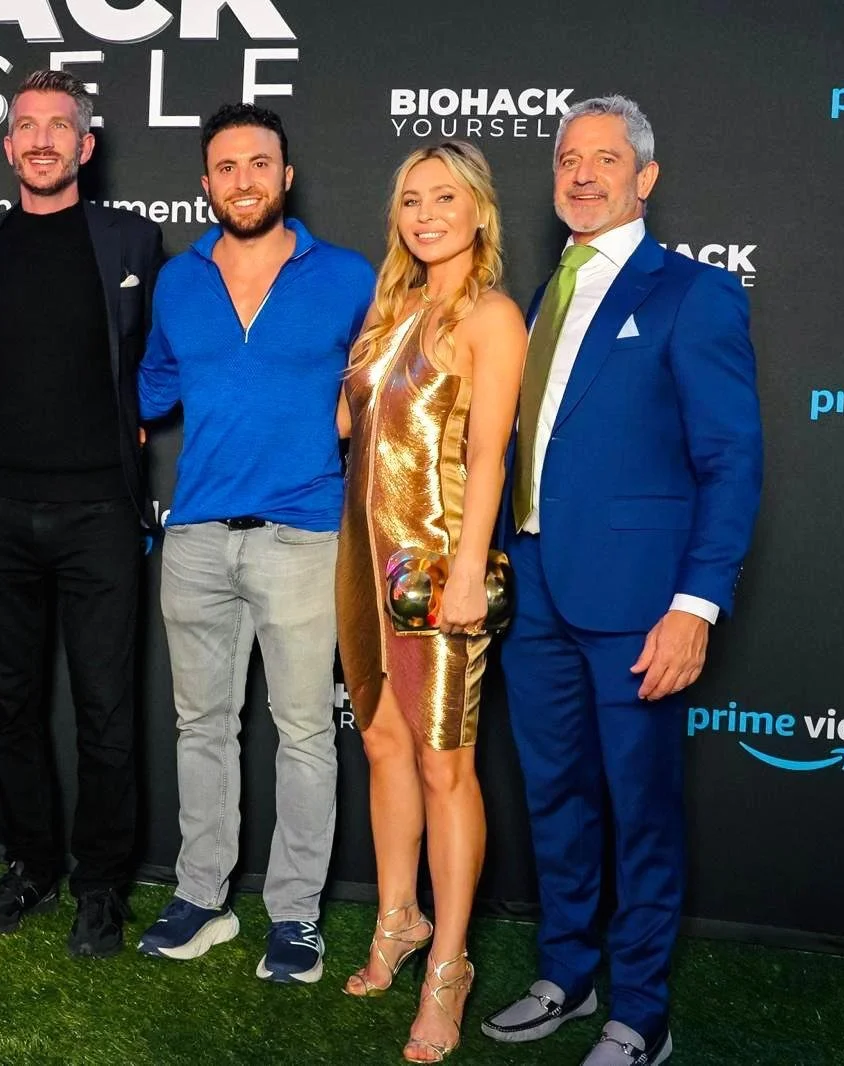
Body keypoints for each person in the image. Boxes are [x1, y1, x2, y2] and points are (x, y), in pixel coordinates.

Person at [480, 96, 762, 1066]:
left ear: (644, 177)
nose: (582, 173)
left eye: (606, 158)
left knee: (640, 807)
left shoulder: (693, 294)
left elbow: (731, 460)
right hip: (538, 595)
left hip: (640, 599)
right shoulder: (539, 295)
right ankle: (566, 972)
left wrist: (695, 604)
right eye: (568, 157)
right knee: (553, 796)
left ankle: (640, 1011)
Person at [135, 103, 374, 984]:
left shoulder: (348, 276)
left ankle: (297, 916)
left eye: (259, 164)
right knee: (202, 727)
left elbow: (386, 390)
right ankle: (202, 898)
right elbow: (151, 388)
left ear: (286, 176)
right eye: (226, 167)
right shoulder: (178, 282)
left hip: (304, 537)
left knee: (306, 731)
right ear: (207, 183)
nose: (244, 180)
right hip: (195, 535)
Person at [0, 70, 165, 959]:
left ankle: (100, 885)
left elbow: (166, 355)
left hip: (100, 511)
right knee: (11, 705)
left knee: (107, 710)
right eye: (24, 126)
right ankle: (30, 863)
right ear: (7, 146)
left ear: (85, 146)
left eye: (57, 127)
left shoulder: (132, 239)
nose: (39, 140)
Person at [335, 141, 527, 1062]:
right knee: (382, 743)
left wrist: (464, 571)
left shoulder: (491, 315)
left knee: (448, 766)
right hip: (364, 564)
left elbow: (489, 454)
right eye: (410, 199)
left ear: (479, 211)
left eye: (444, 197)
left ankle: (449, 967)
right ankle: (398, 919)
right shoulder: (396, 305)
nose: (425, 214)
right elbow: (353, 426)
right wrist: (371, 350)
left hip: (437, 564)